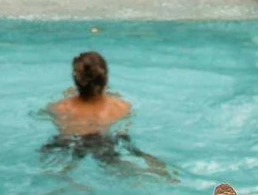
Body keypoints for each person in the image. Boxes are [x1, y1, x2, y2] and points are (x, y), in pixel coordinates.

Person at [40, 52, 173, 181]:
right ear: (105, 78)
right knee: (130, 154)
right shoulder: (121, 106)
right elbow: (123, 131)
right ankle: (162, 176)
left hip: (70, 141)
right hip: (103, 141)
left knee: (56, 168)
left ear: (76, 80)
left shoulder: (59, 107)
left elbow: (54, 121)